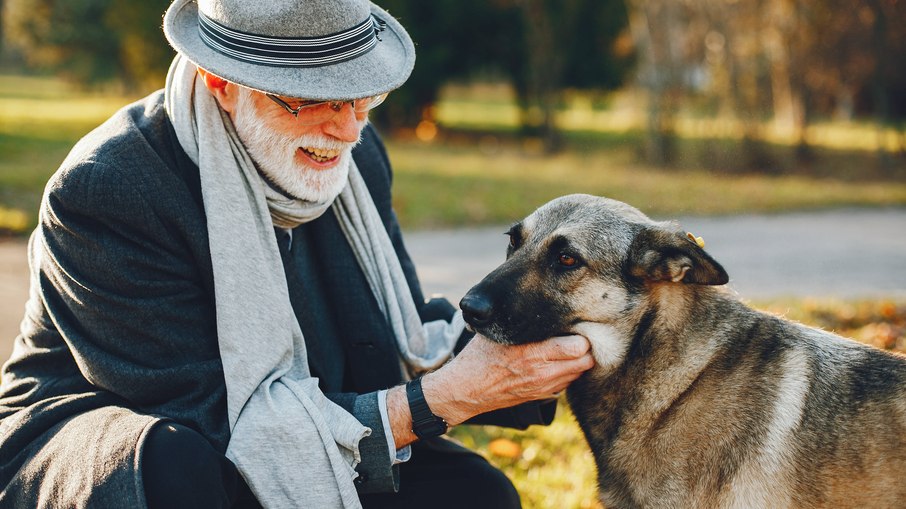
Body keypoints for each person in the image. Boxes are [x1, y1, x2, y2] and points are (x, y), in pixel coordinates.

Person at [0, 0, 595, 507]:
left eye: (362, 94)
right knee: (175, 469)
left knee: (475, 494)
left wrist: (539, 345)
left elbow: (392, 341)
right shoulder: (110, 188)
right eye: (311, 98)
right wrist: (448, 395)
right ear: (222, 83)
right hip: (131, 443)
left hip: (309, 411)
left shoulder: (356, 157)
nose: (346, 128)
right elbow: (217, 427)